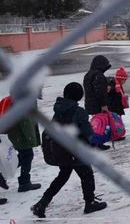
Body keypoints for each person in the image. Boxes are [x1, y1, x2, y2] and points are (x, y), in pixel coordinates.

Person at [31, 82, 107, 218]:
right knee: (87, 175)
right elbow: (87, 132)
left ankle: (42, 203)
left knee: (62, 176)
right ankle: (90, 203)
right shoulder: (78, 112)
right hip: (75, 151)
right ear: (79, 96)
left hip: (62, 151)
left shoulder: (58, 109)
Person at [7, 105, 42, 193]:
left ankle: (6, 173)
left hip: (16, 134)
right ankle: (24, 183)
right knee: (27, 156)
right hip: (22, 136)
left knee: (23, 157)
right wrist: (31, 139)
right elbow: (25, 122)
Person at [83, 55, 111, 150]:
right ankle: (97, 142)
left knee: (93, 124)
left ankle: (93, 141)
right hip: (98, 104)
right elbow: (100, 92)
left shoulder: (88, 75)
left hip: (90, 103)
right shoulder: (98, 76)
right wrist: (104, 105)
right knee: (100, 124)